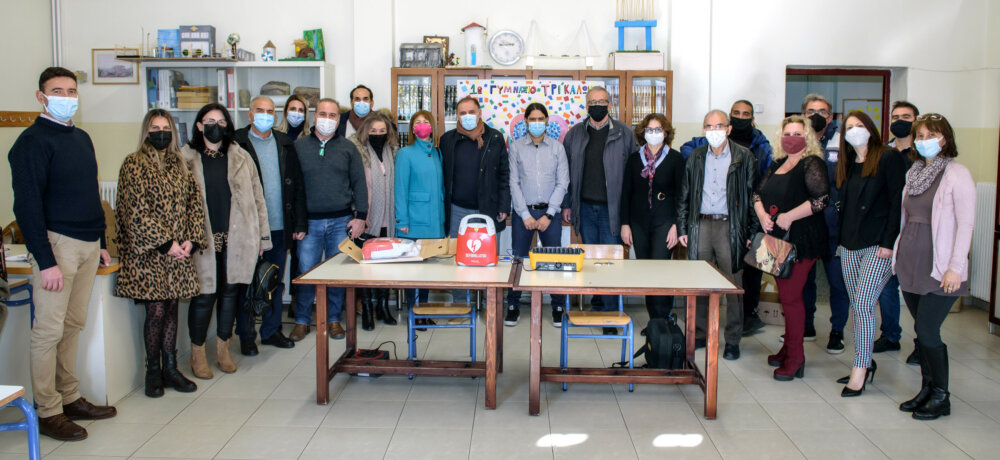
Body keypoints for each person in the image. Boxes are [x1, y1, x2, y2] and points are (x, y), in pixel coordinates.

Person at [8, 66, 116, 441]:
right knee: (48, 332)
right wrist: (46, 260)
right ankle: (48, 410)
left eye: (71, 91)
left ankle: (69, 397)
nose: (67, 97)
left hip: (87, 245)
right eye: (57, 91)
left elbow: (92, 194)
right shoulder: (31, 143)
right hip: (57, 245)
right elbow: (27, 207)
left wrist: (102, 243)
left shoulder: (81, 138)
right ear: (41, 97)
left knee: (72, 326)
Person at [115, 109, 207, 398]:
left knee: (171, 308)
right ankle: (152, 371)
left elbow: (195, 205)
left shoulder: (181, 164)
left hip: (179, 252)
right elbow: (134, 211)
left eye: (165, 127)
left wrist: (191, 240)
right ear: (146, 131)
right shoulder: (133, 163)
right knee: (155, 311)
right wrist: (166, 244)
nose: (161, 133)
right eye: (155, 128)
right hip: (150, 255)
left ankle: (170, 368)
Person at [181, 103, 271, 378]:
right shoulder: (184, 158)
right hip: (201, 240)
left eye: (221, 122)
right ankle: (197, 353)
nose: (215, 126)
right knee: (204, 296)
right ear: (199, 125)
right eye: (209, 121)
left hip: (237, 238)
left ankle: (223, 349)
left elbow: (258, 199)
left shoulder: (241, 156)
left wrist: (262, 238)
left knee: (230, 294)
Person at [894, 113, 974, 420]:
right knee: (920, 329)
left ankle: (941, 396)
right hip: (911, 263)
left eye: (932, 135)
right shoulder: (914, 173)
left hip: (940, 267)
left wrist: (956, 267)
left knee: (928, 330)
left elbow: (966, 224)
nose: (925, 140)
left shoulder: (957, 174)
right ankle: (927, 390)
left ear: (945, 138)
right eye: (920, 135)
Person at [680, 100, 773, 336]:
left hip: (729, 226)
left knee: (733, 285)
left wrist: (751, 232)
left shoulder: (744, 157)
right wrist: (682, 228)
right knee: (699, 282)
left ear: (729, 129)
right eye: (709, 126)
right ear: (703, 130)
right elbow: (685, 195)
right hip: (700, 225)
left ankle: (733, 338)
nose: (714, 131)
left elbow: (753, 196)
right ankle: (699, 334)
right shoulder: (696, 157)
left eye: (719, 126)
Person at [833, 111, 906, 396]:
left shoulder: (888, 157)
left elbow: (897, 203)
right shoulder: (848, 163)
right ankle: (865, 361)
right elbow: (846, 208)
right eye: (849, 127)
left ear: (871, 128)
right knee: (857, 305)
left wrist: (889, 242)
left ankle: (860, 369)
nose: (854, 130)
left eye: (859, 125)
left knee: (863, 304)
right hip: (850, 244)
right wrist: (840, 242)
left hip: (878, 245)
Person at [755, 116, 830, 381]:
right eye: (788, 133)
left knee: (790, 297)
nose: (792, 138)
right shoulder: (778, 163)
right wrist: (762, 214)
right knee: (785, 295)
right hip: (777, 239)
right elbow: (757, 194)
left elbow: (821, 199)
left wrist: (790, 216)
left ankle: (796, 358)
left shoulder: (812, 163)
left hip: (802, 240)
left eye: (798, 134)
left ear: (807, 137)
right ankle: (788, 347)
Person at [233, 96, 307, 355]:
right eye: (260, 110)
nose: (265, 115)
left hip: (278, 225)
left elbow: (297, 185)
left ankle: (271, 330)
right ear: (249, 114)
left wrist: (299, 222)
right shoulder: (236, 142)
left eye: (270, 111)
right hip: (247, 228)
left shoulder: (284, 143)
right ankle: (246, 335)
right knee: (247, 283)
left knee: (273, 281)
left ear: (275, 116)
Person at [291, 98, 368, 341]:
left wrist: (361, 217)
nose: (327, 119)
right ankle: (302, 320)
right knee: (306, 272)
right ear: (314, 117)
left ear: (338, 119)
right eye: (323, 114)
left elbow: (359, 184)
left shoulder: (348, 148)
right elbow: (292, 187)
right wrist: (296, 221)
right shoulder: (299, 147)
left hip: (340, 221)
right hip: (308, 224)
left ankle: (334, 319)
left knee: (336, 273)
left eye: (332, 115)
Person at [562, 86, 637, 325]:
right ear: (586, 106)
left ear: (609, 104)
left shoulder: (625, 133)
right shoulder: (575, 134)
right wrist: (567, 204)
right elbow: (566, 173)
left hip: (612, 210)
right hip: (584, 208)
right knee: (591, 261)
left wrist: (628, 213)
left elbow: (634, 173)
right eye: (592, 102)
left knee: (610, 262)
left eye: (601, 101)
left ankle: (610, 314)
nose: (597, 106)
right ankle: (597, 307)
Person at [440, 96, 510, 306]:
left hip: (488, 208)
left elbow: (504, 175)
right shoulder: (447, 139)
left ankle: (491, 305)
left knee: (489, 259)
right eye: (463, 113)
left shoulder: (495, 138)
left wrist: (504, 205)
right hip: (457, 209)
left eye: (471, 112)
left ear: (480, 113)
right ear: (457, 116)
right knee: (459, 260)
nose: (467, 116)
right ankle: (460, 304)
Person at [505, 103, 569, 326]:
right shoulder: (516, 148)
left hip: (550, 214)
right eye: (532, 119)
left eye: (540, 118)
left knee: (554, 259)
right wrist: (524, 214)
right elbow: (513, 182)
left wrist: (549, 215)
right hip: (523, 212)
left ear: (547, 120)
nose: (536, 123)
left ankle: (558, 306)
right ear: (525, 121)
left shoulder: (557, 148)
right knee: (518, 259)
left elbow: (563, 182)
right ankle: (512, 305)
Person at [620, 113, 683, 327]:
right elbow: (626, 193)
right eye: (649, 129)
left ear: (666, 133)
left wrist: (676, 225)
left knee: (661, 270)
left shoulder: (675, 158)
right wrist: (625, 224)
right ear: (643, 132)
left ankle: (662, 320)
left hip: (665, 222)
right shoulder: (634, 159)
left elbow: (681, 195)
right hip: (638, 223)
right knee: (646, 271)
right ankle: (653, 322)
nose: (653, 133)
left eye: (658, 129)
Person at [799, 94, 850, 352]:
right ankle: (806, 324)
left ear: (830, 117)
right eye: (811, 111)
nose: (816, 116)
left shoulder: (842, 142)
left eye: (821, 111)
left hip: (834, 226)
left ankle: (837, 330)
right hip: (805, 225)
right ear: (803, 115)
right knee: (803, 280)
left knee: (838, 283)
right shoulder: (796, 141)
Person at [876, 100, 921, 363]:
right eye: (895, 117)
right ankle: (890, 335)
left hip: (916, 227)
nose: (899, 121)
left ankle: (922, 342)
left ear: (916, 121)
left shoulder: (923, 154)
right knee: (886, 286)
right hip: (889, 226)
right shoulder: (883, 152)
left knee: (916, 288)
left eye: (906, 116)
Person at [349, 111, 399, 329]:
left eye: (382, 130)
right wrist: (359, 214)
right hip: (367, 218)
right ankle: (367, 309)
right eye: (373, 130)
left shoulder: (393, 152)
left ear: (388, 133)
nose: (378, 134)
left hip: (389, 217)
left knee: (386, 266)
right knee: (367, 267)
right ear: (365, 132)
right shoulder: (358, 153)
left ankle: (383, 307)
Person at [395, 110, 446, 319]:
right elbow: (400, 189)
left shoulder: (437, 153)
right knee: (413, 271)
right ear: (412, 128)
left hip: (434, 221)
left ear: (432, 127)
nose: (422, 125)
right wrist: (402, 220)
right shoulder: (405, 153)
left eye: (426, 121)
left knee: (427, 270)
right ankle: (414, 313)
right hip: (414, 221)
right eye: (418, 122)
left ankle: (423, 311)